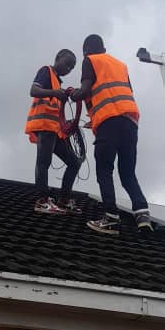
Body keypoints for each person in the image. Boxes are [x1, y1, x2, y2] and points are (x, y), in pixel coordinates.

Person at [71, 34, 152, 234]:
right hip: (130, 121)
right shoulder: (121, 65)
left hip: (109, 123)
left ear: (86, 51)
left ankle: (111, 217)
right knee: (127, 173)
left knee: (104, 169)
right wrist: (96, 119)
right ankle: (142, 215)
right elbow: (118, 94)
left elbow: (85, 90)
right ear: (104, 49)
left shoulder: (90, 60)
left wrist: (72, 94)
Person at [25, 49, 82, 214]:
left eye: (71, 67)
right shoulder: (46, 71)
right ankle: (42, 201)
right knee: (44, 162)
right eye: (67, 64)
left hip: (54, 130)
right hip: (44, 125)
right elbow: (33, 91)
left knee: (74, 162)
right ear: (57, 58)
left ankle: (64, 199)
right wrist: (54, 93)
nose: (69, 69)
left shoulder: (57, 82)